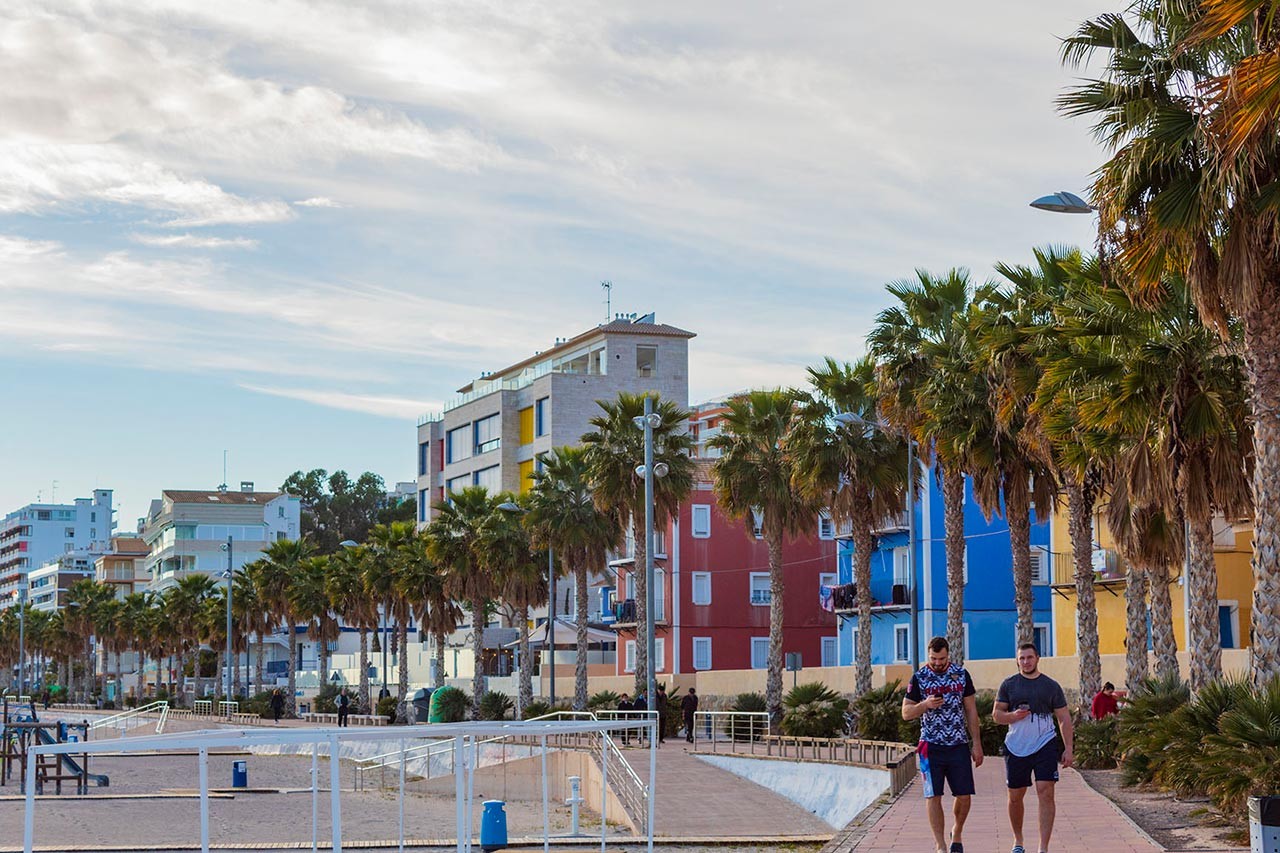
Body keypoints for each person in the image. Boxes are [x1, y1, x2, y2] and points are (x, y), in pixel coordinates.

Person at [901, 636, 983, 853]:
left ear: (949, 655)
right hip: (930, 745)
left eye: (942, 658)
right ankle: (941, 845)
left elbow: (971, 710)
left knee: (964, 796)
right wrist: (925, 705)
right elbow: (906, 712)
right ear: (928, 655)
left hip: (957, 744)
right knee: (933, 795)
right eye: (933, 658)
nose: (938, 663)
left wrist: (977, 744)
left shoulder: (961, 675)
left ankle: (956, 831)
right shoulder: (919, 678)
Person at [993, 642, 1074, 853]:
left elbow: (1064, 717)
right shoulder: (1009, 685)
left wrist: (1068, 748)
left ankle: (1043, 847)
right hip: (1016, 746)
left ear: (1037, 658)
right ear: (1017, 660)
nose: (1026, 662)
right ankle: (1018, 841)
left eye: (1029, 657)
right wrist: (1012, 716)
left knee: (1045, 792)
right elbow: (997, 715)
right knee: (1015, 796)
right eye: (1022, 658)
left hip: (1044, 743)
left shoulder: (1051, 686)